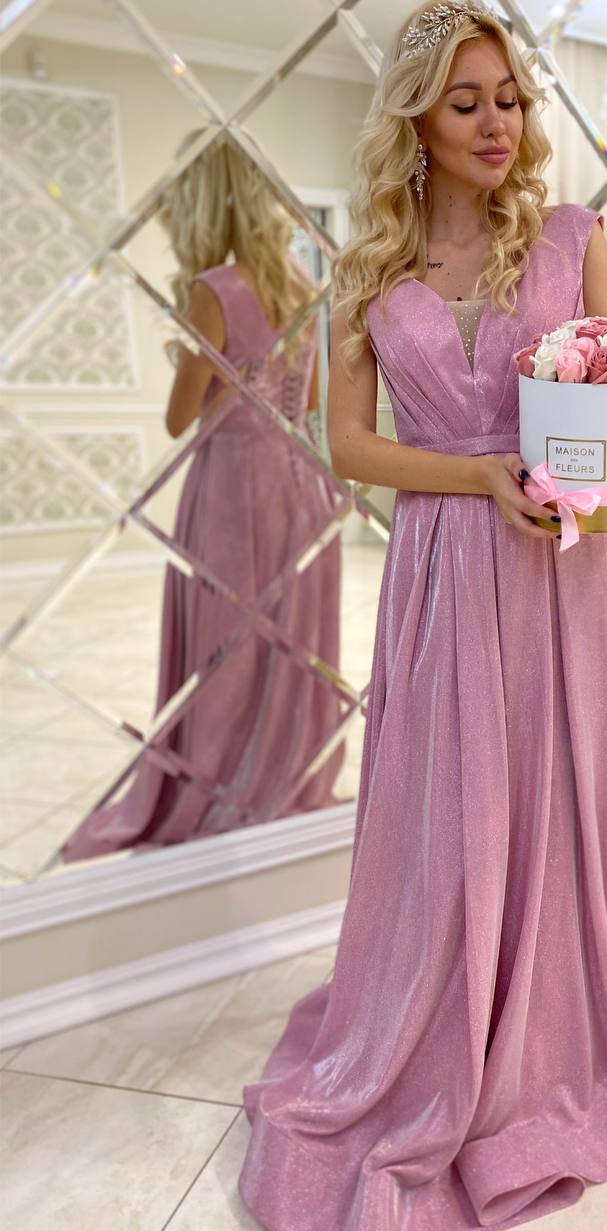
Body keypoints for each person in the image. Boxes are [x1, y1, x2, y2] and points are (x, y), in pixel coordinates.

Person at [237, 2, 607, 1231]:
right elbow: (349, 446)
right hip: (444, 572)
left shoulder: (571, 240)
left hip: (557, 581)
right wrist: (476, 475)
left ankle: (550, 1035)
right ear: (416, 119)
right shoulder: (368, 270)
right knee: (444, 811)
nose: (497, 121)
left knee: (549, 799)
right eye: (466, 102)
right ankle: (435, 1023)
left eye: (508, 97)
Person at [58, 129, 346, 863]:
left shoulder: (214, 290)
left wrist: (188, 353)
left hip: (234, 489)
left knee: (226, 643)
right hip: (299, 485)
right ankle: (283, 770)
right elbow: (310, 400)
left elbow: (179, 417)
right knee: (287, 638)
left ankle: (219, 775)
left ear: (200, 200)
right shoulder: (299, 280)